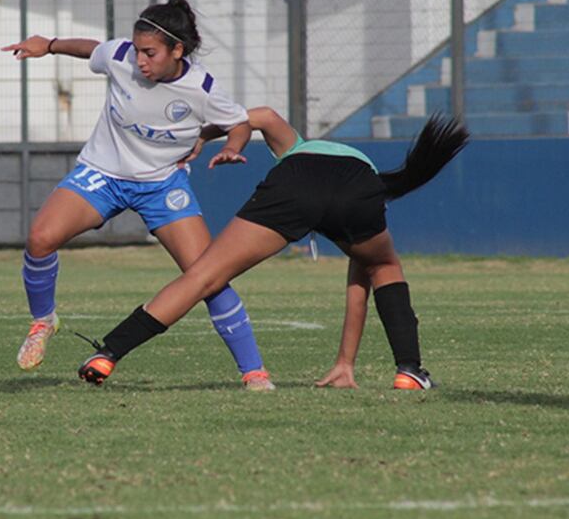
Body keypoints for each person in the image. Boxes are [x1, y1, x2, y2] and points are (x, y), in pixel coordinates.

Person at [77, 112, 469, 390]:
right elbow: (358, 290)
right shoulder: (367, 178)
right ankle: (409, 370)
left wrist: (209, 137)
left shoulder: (297, 147)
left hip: (293, 185)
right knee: (383, 266)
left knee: (203, 276)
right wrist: (344, 363)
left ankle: (109, 353)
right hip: (356, 192)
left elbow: (259, 115)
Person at [0, 0, 275, 391]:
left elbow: (239, 123)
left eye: (150, 53)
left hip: (162, 185)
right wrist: (50, 44)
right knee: (41, 238)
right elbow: (93, 50)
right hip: (102, 174)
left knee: (207, 276)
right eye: (138, 50)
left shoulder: (202, 88)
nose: (140, 60)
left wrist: (234, 146)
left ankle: (254, 372)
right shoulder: (121, 57)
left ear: (177, 50)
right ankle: (43, 321)